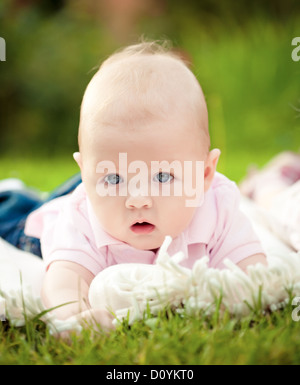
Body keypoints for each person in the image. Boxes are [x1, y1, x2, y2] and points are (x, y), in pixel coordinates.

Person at [0, 40, 267, 331]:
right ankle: (15, 195)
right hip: (36, 229)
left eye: (164, 177)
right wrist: (74, 318)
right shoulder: (80, 219)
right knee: (13, 213)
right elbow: (64, 281)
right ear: (86, 174)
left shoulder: (218, 208)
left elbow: (253, 272)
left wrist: (242, 300)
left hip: (103, 191)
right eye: (114, 178)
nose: (138, 200)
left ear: (204, 175)